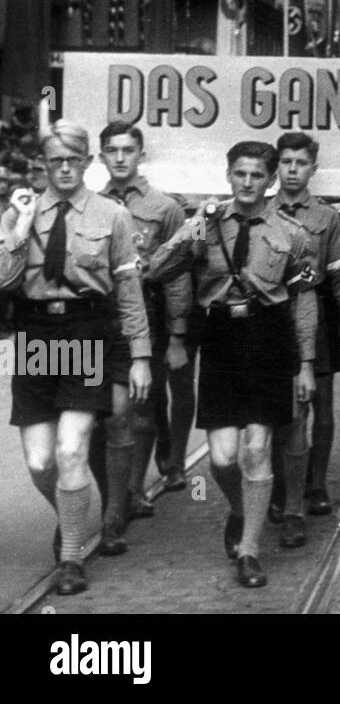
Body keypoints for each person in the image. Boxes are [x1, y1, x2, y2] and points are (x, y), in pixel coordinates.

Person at [149, 141, 318, 588]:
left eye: (257, 175)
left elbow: (303, 300)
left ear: (271, 180)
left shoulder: (291, 233)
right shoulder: (208, 225)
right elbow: (157, 269)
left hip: (269, 338)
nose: (247, 183)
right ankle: (243, 509)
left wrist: (305, 363)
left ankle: (249, 550)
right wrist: (194, 227)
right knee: (222, 459)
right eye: (240, 174)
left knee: (258, 448)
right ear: (228, 175)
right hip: (221, 339)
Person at [0, 120, 152, 595]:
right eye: (54, 161)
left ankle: (71, 559)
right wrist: (18, 231)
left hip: (86, 331)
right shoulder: (19, 213)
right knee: (42, 462)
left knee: (71, 450)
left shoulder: (111, 215)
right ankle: (71, 519)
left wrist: (141, 355)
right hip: (35, 333)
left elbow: (128, 289)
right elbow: (4, 283)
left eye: (73, 161)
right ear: (43, 165)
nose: (64, 169)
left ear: (87, 163)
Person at [97, 122, 193, 539]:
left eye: (128, 150)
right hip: (100, 317)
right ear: (101, 156)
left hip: (148, 314)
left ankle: (133, 490)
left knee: (144, 406)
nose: (120, 158)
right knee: (100, 410)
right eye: (112, 150)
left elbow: (177, 276)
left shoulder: (164, 207)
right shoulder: (92, 204)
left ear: (141, 154)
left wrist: (176, 335)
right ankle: (114, 493)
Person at [267, 133, 340, 546]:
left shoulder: (327, 217)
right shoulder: (262, 211)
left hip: (318, 315)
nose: (292, 170)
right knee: (279, 411)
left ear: (313, 168)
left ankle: (316, 483)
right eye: (285, 162)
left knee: (318, 404)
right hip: (273, 315)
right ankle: (279, 487)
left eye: (300, 163)